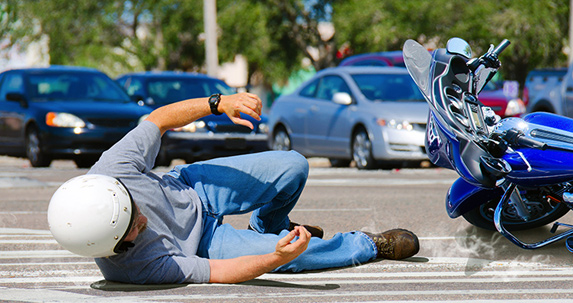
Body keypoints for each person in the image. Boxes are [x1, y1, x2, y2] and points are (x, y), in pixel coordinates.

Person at [47, 93, 420, 284]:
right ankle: (370, 245)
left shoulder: (110, 170)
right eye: (132, 232)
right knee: (297, 257)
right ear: (115, 248)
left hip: (194, 188)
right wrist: (274, 259)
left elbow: (157, 120)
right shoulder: (133, 269)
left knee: (293, 165)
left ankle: (269, 225)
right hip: (205, 244)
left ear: (117, 192)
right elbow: (219, 272)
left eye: (133, 209)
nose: (142, 220)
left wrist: (219, 103)